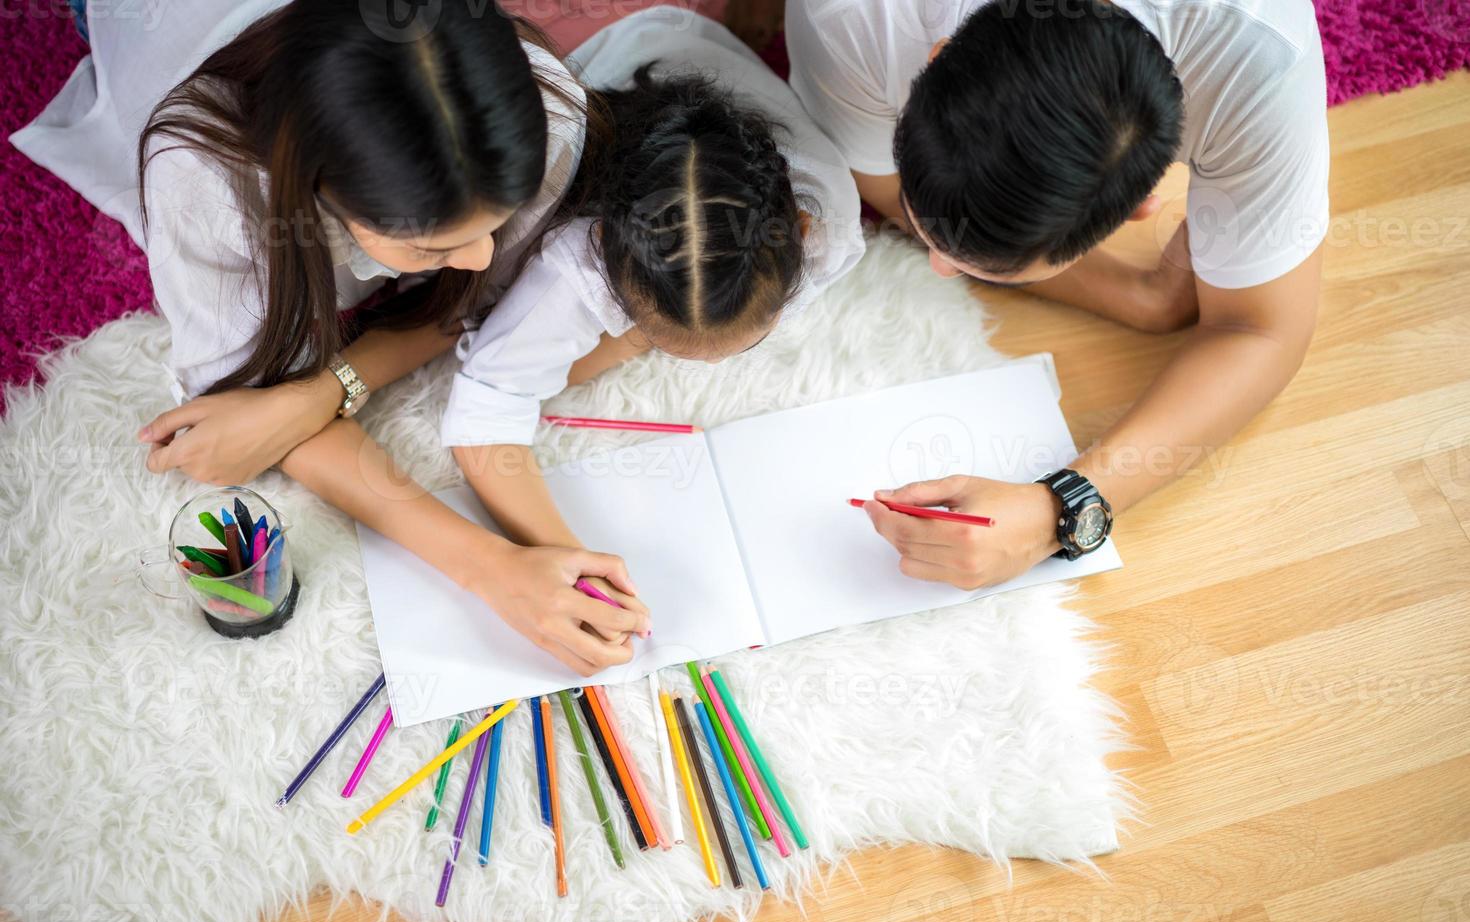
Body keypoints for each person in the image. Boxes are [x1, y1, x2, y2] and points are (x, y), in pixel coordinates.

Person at [12, 0, 650, 666]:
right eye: (436, 250)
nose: (485, 260)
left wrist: (319, 392)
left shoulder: (546, 109)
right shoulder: (208, 180)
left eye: (496, 225)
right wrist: (487, 567)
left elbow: (472, 309)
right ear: (315, 194)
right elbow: (242, 411)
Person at [785, 0, 1330, 589]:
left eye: (993, 269)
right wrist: (1137, 297)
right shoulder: (850, 14)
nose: (939, 266)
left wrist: (1059, 510)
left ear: (1140, 205)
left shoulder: (1257, 55)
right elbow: (879, 183)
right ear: (934, 60)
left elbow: (1265, 332)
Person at [443, 6, 863, 671]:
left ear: (801, 238)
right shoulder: (575, 258)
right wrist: (568, 561)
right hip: (594, 47)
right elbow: (485, 404)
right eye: (662, 340)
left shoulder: (829, 219)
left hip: (690, 46)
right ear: (602, 251)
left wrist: (626, 345)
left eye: (745, 341)